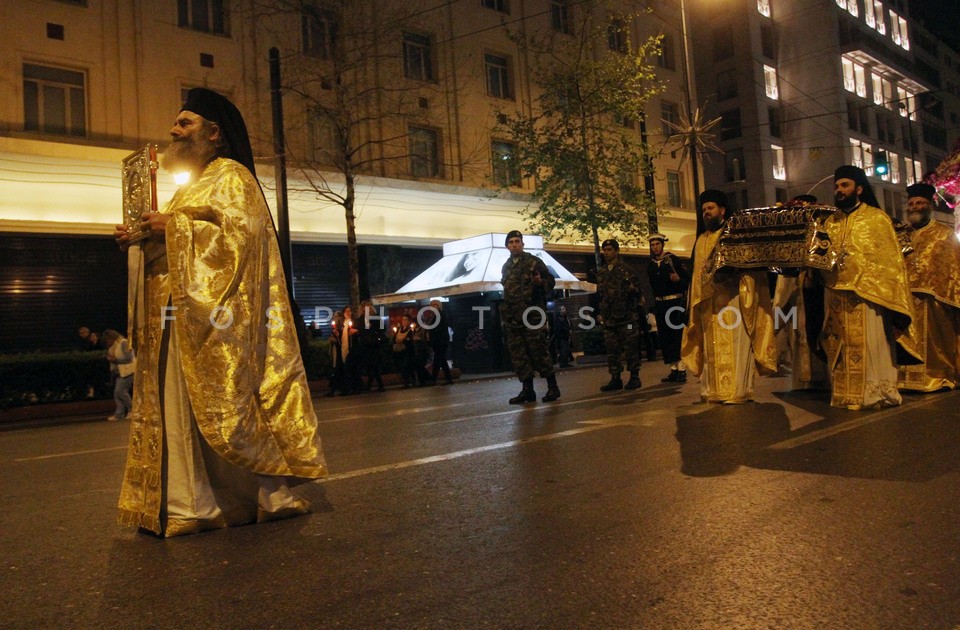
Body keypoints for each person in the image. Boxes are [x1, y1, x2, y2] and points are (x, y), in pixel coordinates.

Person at [113, 88, 327, 537]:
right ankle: (190, 505)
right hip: (178, 317)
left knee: (227, 410)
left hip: (215, 322)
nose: (174, 129)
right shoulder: (195, 183)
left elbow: (240, 241)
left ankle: (232, 500)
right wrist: (141, 240)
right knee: (179, 412)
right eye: (176, 121)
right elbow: (175, 249)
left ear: (214, 133)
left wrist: (172, 228)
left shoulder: (231, 176)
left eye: (185, 123)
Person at [812, 165, 916, 409]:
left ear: (859, 189)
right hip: (837, 294)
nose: (839, 190)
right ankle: (845, 393)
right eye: (837, 186)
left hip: (867, 295)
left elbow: (889, 262)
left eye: (844, 185)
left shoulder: (876, 219)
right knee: (839, 344)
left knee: (870, 345)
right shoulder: (830, 222)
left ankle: (873, 392)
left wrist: (864, 281)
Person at [681, 190, 778, 403]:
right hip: (709, 304)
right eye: (704, 209)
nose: (706, 213)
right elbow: (696, 277)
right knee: (711, 349)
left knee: (737, 347)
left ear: (722, 210)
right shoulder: (701, 241)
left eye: (711, 208)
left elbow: (750, 268)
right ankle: (714, 390)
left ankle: (738, 391)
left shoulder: (735, 234)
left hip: (733, 300)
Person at [897, 182, 960, 391]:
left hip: (935, 299)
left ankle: (936, 376)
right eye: (912, 203)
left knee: (935, 341)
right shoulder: (901, 234)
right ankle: (905, 379)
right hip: (904, 298)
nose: (915, 206)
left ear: (929, 206)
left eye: (920, 203)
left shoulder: (944, 233)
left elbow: (953, 266)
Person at [500, 230, 560, 403]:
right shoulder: (506, 266)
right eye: (511, 242)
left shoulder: (534, 262)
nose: (514, 244)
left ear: (522, 244)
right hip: (513, 318)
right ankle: (528, 390)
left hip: (533, 316)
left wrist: (541, 282)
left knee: (539, 351)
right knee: (519, 355)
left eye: (517, 241)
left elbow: (551, 281)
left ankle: (553, 387)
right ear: (507, 246)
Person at [596, 238, 642, 391]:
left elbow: (638, 294)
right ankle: (615, 378)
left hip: (626, 318)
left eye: (610, 250)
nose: (607, 253)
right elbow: (600, 295)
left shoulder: (626, 270)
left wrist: (632, 290)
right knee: (612, 350)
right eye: (605, 250)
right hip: (609, 319)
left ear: (616, 251)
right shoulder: (602, 272)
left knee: (630, 348)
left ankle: (634, 377)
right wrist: (599, 313)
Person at [646, 233, 689, 383]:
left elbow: (687, 281)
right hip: (660, 304)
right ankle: (673, 369)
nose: (655, 247)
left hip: (674, 304)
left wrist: (678, 280)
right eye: (652, 245)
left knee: (676, 336)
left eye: (657, 244)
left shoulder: (672, 260)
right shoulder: (651, 265)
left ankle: (682, 369)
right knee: (665, 337)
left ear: (662, 245)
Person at [102, 328, 135, 422]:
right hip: (120, 372)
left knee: (120, 391)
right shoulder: (115, 345)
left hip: (128, 371)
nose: (107, 343)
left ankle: (132, 410)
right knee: (117, 393)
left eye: (107, 340)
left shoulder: (124, 343)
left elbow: (129, 358)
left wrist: (114, 359)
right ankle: (119, 414)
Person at [358, 300, 386, 392]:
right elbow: (360, 331)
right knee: (371, 366)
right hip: (365, 345)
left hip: (374, 345)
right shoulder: (361, 319)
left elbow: (383, 328)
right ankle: (374, 385)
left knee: (373, 365)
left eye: (369, 306)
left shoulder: (375, 317)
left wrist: (373, 328)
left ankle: (376, 385)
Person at [428, 299, 454, 385]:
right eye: (432, 305)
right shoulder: (433, 316)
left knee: (437, 360)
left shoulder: (439, 315)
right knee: (442, 360)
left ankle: (433, 379)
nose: (434, 306)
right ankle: (448, 378)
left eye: (435, 305)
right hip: (438, 341)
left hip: (440, 341)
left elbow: (438, 330)